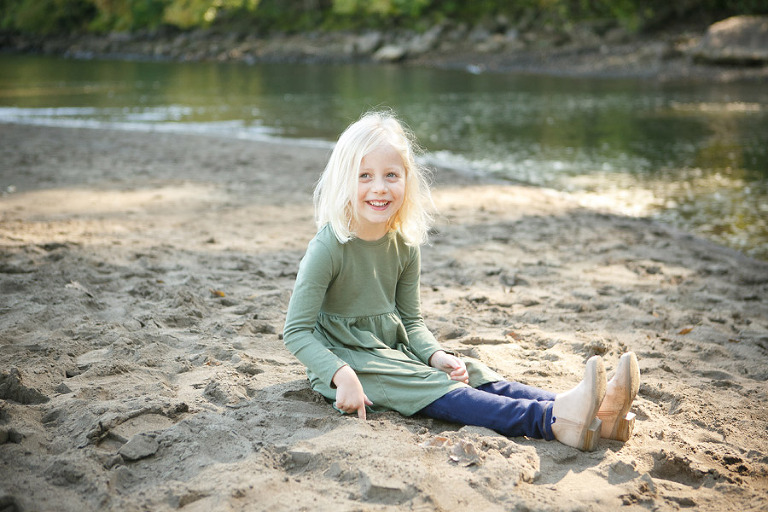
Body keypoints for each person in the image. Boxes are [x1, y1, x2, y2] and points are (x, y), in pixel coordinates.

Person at [283, 110, 640, 451]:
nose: (380, 188)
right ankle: (552, 420)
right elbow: (296, 331)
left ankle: (604, 411)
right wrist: (340, 374)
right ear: (344, 181)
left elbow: (411, 321)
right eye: (364, 176)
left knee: (470, 372)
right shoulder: (329, 247)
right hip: (348, 360)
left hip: (395, 349)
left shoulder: (404, 244)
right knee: (433, 386)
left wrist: (436, 354)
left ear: (407, 179)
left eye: (391, 175)